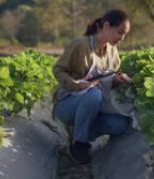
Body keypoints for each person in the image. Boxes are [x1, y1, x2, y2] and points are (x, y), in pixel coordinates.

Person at [52, 9, 133, 163]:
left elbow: (110, 77)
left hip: (95, 106)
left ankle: (78, 132)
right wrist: (76, 85)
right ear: (107, 26)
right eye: (120, 32)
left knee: (121, 124)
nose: (122, 38)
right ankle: (80, 144)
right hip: (68, 104)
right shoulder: (80, 45)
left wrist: (118, 79)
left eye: (125, 35)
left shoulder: (112, 51)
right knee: (93, 94)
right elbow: (58, 70)